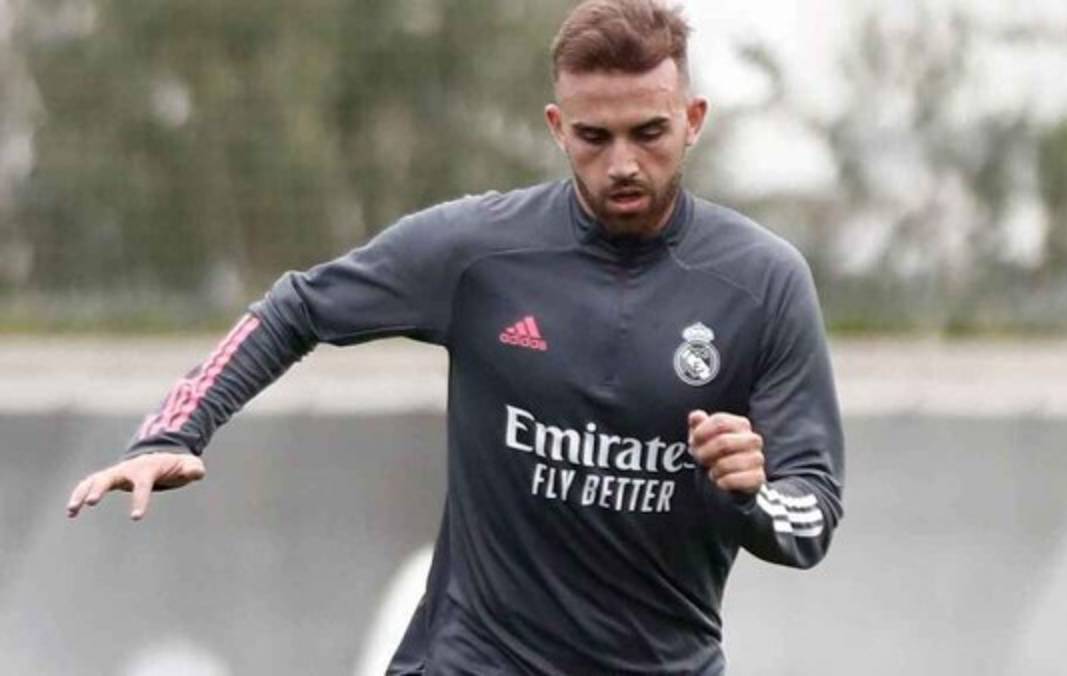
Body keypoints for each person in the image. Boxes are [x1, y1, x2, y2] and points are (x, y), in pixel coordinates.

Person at [65, 0, 845, 673]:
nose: (622, 164)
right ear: (556, 128)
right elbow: (297, 306)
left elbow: (810, 512)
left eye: (649, 132)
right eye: (593, 136)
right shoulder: (478, 251)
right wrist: (175, 428)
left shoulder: (763, 284)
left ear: (693, 119)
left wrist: (752, 496)